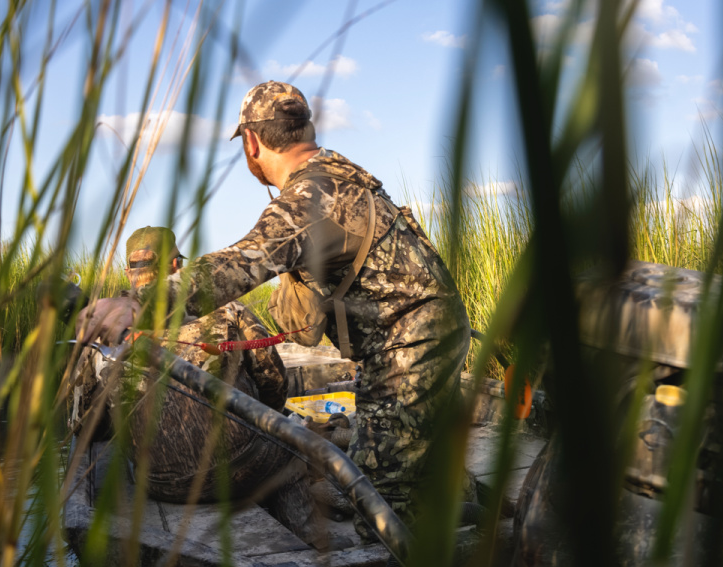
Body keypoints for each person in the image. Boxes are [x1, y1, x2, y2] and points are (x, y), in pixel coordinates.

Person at [79, 81, 472, 529]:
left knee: (383, 509)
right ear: (306, 127)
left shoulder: (310, 196)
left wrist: (139, 302)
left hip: (408, 350)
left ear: (251, 141)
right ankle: (473, 543)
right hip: (431, 335)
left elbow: (240, 263)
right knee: (439, 475)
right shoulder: (342, 177)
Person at [76, 227, 321, 543]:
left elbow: (87, 425)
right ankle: (309, 536)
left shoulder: (100, 331)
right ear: (177, 266)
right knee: (291, 442)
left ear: (127, 272)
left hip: (158, 482)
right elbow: (272, 381)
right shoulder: (227, 308)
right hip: (243, 468)